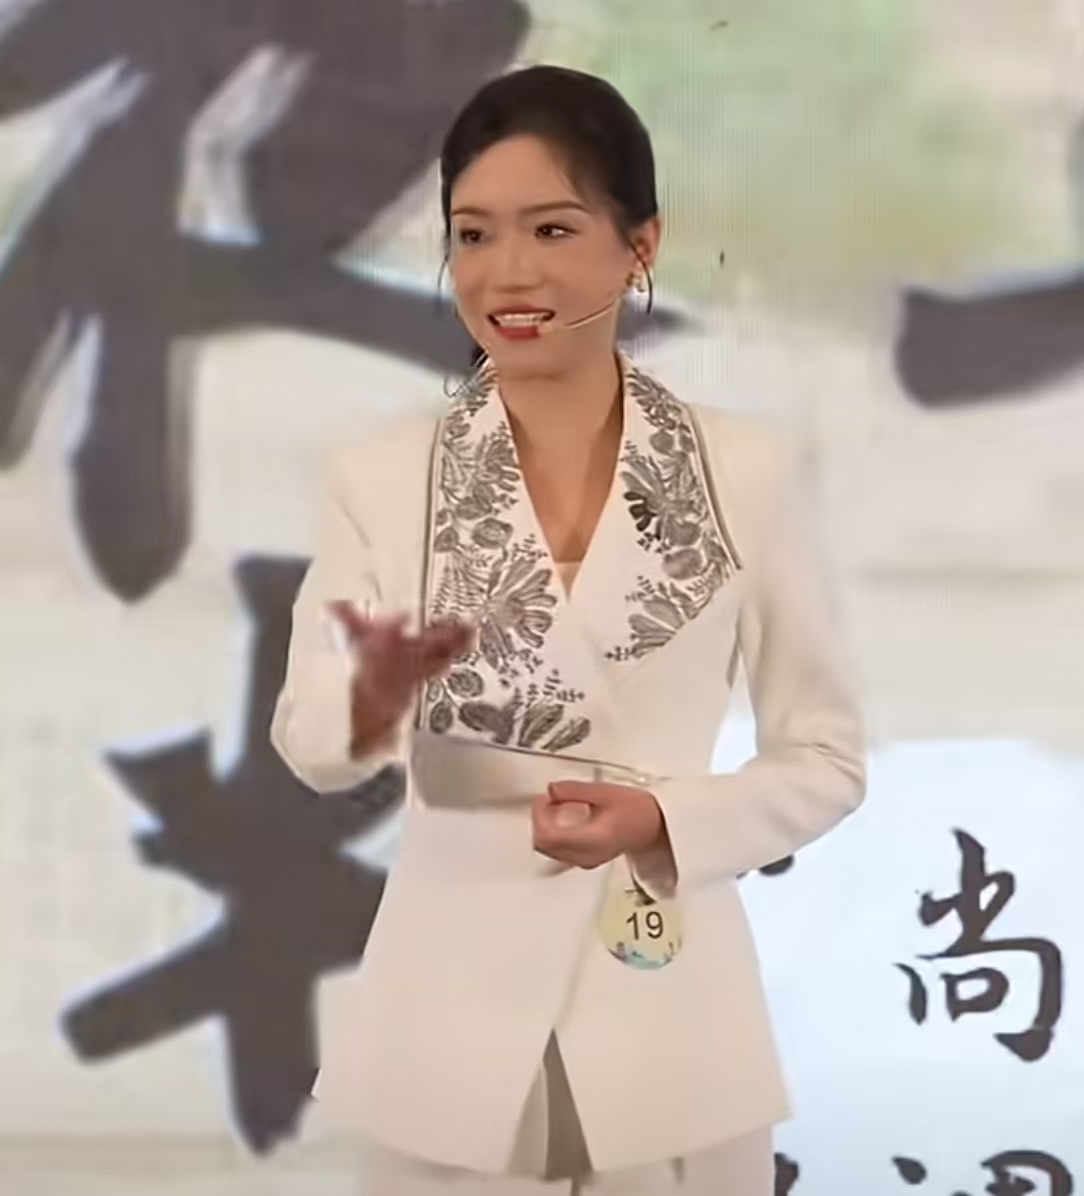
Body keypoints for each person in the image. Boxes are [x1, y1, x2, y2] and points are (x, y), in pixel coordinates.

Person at [271, 64, 867, 1195]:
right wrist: (374, 695)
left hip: (666, 1001)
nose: (508, 271)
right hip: (447, 1016)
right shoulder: (382, 475)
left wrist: (663, 818)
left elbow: (825, 758)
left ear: (641, 245)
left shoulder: (747, 472)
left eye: (552, 228)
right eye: (474, 234)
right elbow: (309, 742)